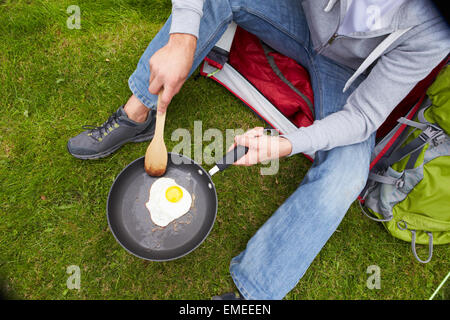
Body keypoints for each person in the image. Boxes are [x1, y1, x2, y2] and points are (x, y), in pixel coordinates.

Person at [67, 0, 450, 299]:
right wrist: (183, 37)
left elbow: (365, 115)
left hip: (350, 76)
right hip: (297, 19)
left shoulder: (435, 28)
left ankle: (253, 291)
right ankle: (137, 115)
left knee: (347, 175)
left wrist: (286, 143)